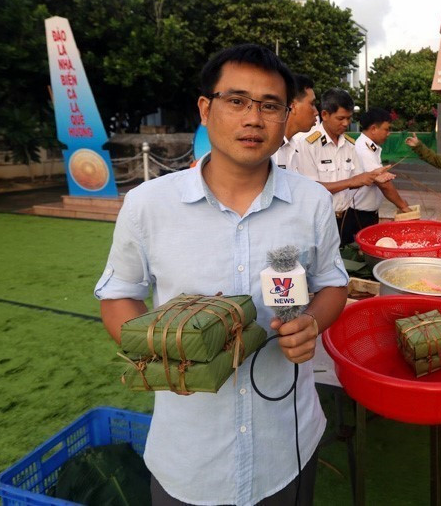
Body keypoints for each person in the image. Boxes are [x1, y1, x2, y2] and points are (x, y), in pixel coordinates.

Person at [95, 44, 349, 506]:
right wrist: (160, 349)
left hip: (287, 443)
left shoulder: (312, 201)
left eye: (270, 105)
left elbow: (333, 282)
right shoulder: (149, 205)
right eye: (236, 101)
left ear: (285, 116)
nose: (253, 118)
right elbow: (119, 294)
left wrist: (313, 321)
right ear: (205, 109)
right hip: (190, 455)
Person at [296, 88, 393, 246]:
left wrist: (374, 176)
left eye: (349, 118)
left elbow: (359, 178)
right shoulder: (307, 144)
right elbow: (310, 189)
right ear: (325, 115)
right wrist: (350, 182)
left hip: (346, 220)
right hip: (318, 221)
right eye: (341, 118)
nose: (346, 124)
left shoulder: (349, 145)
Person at [352, 107, 412, 226]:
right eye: (386, 129)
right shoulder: (364, 149)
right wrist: (403, 206)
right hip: (359, 214)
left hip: (368, 212)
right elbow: (384, 184)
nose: (388, 134)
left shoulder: (370, 147)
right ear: (374, 128)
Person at [272, 73, 318, 172]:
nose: (316, 112)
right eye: (312, 104)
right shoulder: (269, 148)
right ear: (293, 106)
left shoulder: (295, 146)